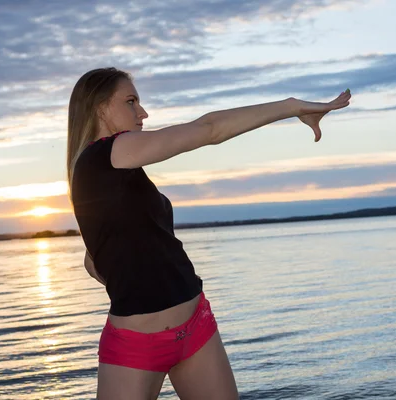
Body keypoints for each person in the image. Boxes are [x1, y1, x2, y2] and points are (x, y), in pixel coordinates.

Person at [66, 67, 351, 400]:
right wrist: (291, 107)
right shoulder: (104, 155)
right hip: (137, 345)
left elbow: (95, 258)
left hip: (195, 327)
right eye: (131, 102)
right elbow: (209, 128)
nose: (142, 113)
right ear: (100, 108)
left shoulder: (109, 171)